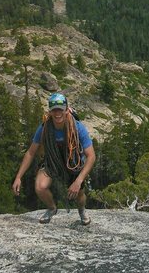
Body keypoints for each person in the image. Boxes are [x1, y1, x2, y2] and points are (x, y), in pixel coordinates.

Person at [12, 92, 95, 225]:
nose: (57, 113)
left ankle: (82, 210)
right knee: (40, 187)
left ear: (66, 110)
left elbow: (91, 156)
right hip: (52, 160)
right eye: (54, 110)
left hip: (73, 161)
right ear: (50, 111)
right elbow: (30, 153)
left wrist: (79, 180)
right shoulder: (45, 128)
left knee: (79, 193)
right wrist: (18, 177)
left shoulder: (78, 127)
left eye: (60, 110)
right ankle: (52, 208)